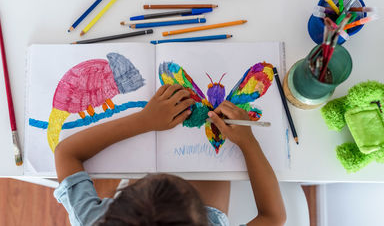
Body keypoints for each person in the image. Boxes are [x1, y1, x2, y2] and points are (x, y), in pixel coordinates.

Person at [54, 84, 286, 226]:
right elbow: (273, 218)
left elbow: (66, 153)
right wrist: (248, 143)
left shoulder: (93, 221)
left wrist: (143, 121)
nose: (171, 174)